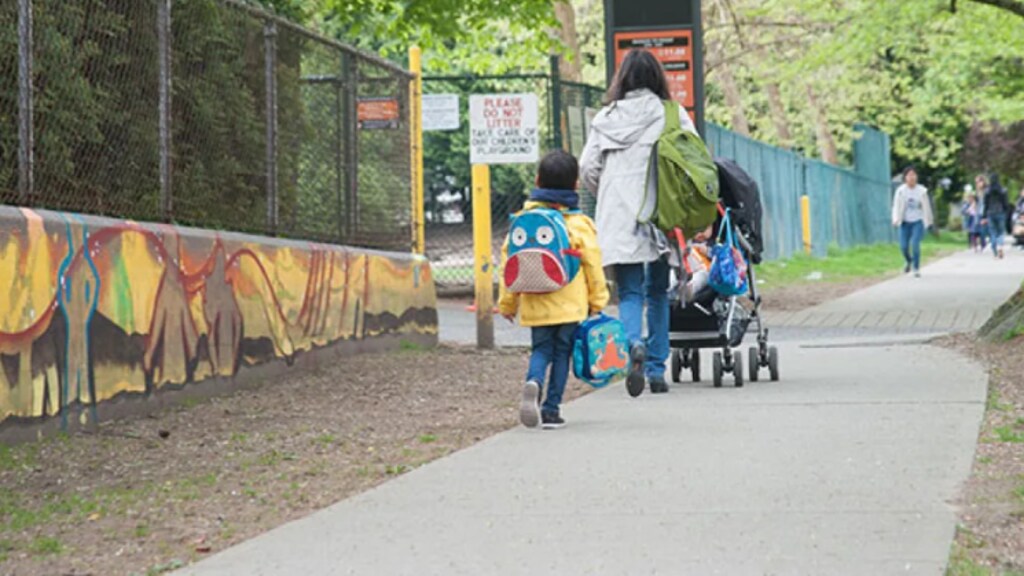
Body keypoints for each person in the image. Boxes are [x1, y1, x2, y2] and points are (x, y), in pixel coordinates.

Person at [579, 49, 701, 397]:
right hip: (662, 213)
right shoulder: (672, 114)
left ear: (624, 79)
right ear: (657, 78)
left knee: (630, 292)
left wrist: (608, 190)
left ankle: (634, 343)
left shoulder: (606, 117)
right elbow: (694, 159)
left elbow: (587, 166)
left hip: (618, 212)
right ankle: (657, 370)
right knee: (659, 293)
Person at [499, 149, 609, 430]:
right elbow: (593, 266)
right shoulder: (579, 225)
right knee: (562, 354)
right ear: (576, 185)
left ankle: (533, 382)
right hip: (570, 305)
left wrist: (508, 303)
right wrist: (598, 300)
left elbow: (508, 264)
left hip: (535, 302)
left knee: (541, 350)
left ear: (537, 180)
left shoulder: (523, 222)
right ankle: (551, 410)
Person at [891, 166, 934, 277]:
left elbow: (926, 207)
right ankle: (909, 260)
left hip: (917, 221)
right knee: (904, 247)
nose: (912, 177)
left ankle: (916, 267)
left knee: (915, 244)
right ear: (905, 177)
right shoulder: (901, 191)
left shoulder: (922, 191)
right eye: (909, 175)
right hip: (904, 222)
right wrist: (895, 219)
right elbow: (896, 206)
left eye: (914, 175)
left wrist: (928, 221)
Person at [981, 172, 1010, 259]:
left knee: (993, 232)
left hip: (990, 213)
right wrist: (1006, 212)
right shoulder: (1003, 190)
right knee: (1001, 231)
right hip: (1000, 212)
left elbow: (985, 204)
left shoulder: (987, 191)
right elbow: (1005, 203)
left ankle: (995, 251)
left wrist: (983, 216)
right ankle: (1000, 245)